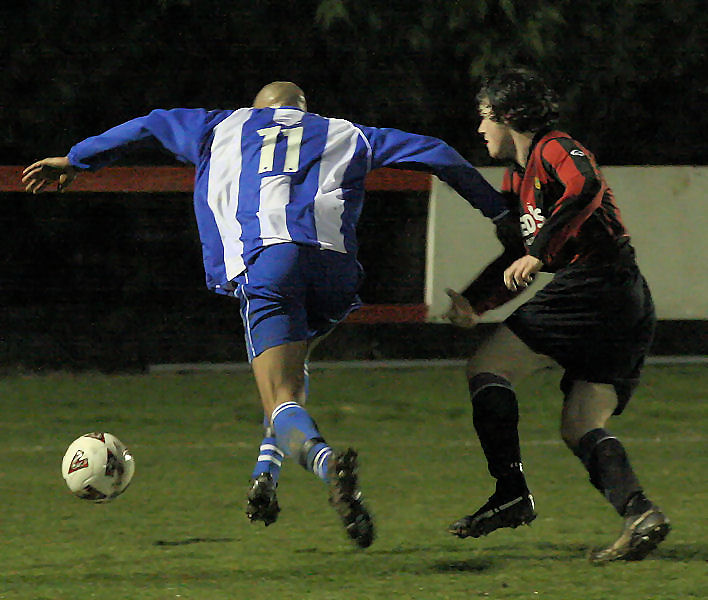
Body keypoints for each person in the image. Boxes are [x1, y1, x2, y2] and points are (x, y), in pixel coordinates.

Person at [23, 81, 509, 549]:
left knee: (280, 395)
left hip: (270, 264)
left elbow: (150, 124)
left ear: (258, 108)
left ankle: (327, 464)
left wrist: (76, 159)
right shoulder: (347, 131)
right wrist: (502, 214)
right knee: (291, 375)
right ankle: (264, 477)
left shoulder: (219, 126)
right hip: (335, 273)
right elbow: (438, 152)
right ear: (305, 109)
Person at [444, 68, 670, 563]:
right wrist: (475, 302)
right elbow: (517, 255)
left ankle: (511, 493)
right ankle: (640, 513)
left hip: (597, 283)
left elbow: (584, 186)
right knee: (581, 422)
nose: (480, 130)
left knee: (488, 369)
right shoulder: (517, 176)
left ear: (508, 116)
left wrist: (541, 253)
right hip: (623, 298)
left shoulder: (552, 147)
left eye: (485, 118)